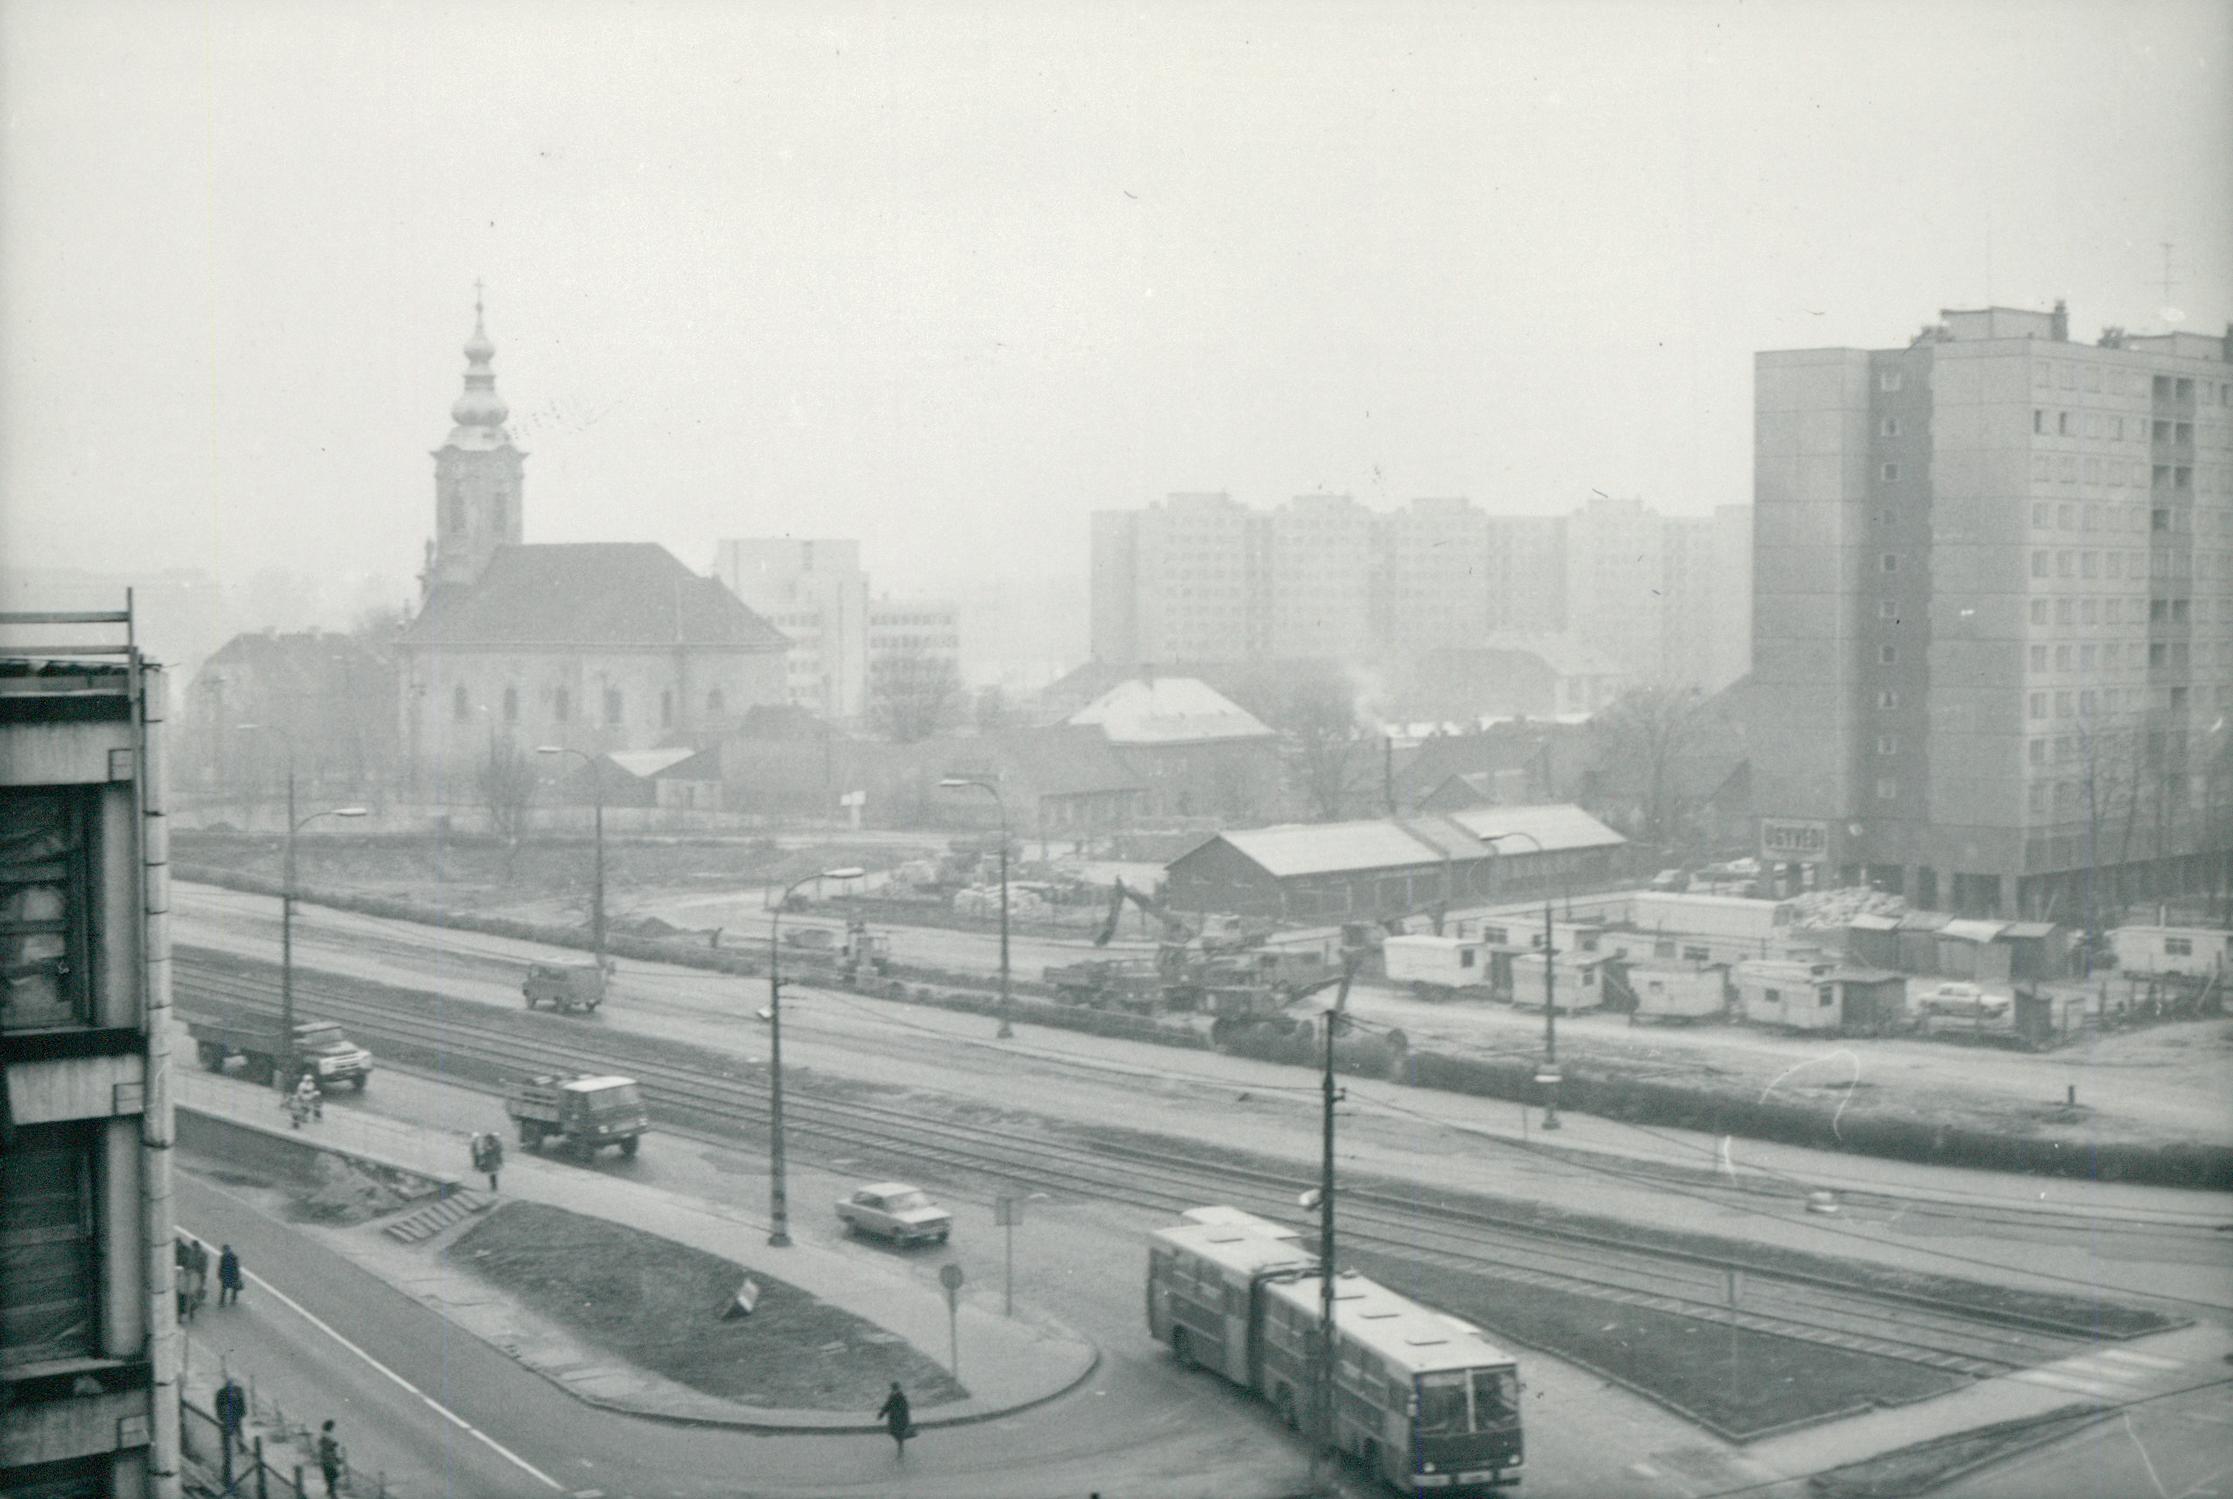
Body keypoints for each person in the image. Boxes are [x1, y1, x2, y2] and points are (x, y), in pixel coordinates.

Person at [876, 1380, 912, 1459]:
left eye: (894, 1388)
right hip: (893, 1418)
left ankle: (900, 1448)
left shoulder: (901, 1397)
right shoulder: (892, 1396)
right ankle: (901, 1443)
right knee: (894, 1432)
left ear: (897, 1388)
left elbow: (905, 1410)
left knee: (897, 1433)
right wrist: (881, 1414)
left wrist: (907, 1421)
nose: (893, 1390)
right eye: (893, 1388)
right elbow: (887, 1406)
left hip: (899, 1419)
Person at [317, 1418, 343, 1498]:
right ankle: (332, 1493)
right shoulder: (326, 1436)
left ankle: (330, 1490)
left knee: (331, 1474)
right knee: (332, 1474)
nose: (333, 1429)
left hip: (326, 1457)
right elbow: (332, 1445)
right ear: (329, 1427)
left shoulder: (324, 1435)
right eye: (332, 1427)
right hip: (328, 1457)